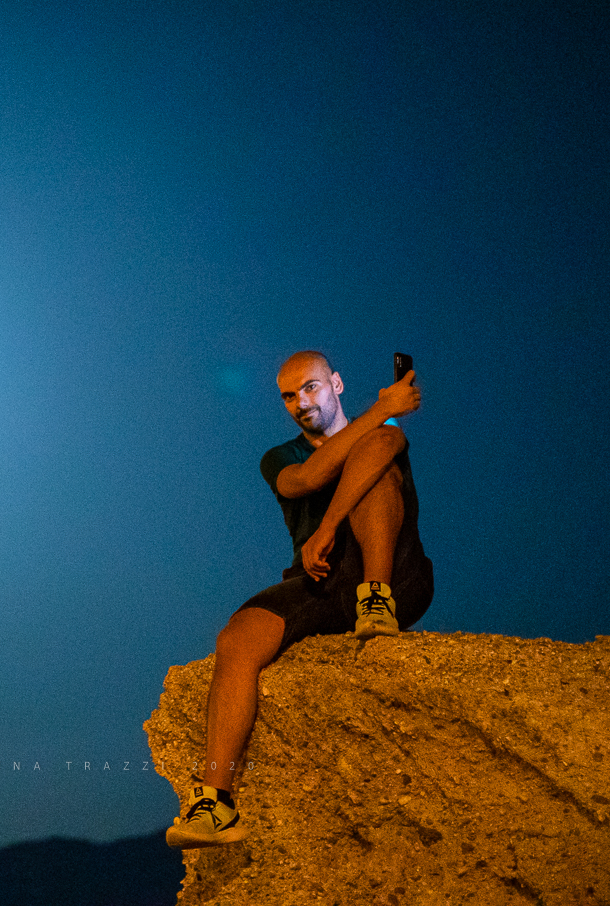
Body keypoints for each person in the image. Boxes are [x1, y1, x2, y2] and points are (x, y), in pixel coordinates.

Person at [166, 350, 435, 849]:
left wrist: (328, 525)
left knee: (376, 455)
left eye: (310, 387)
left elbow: (383, 437)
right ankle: (215, 802)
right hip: (322, 580)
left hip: (397, 578)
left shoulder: (387, 430)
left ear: (336, 383)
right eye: (288, 395)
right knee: (236, 639)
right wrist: (384, 406)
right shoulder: (280, 457)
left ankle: (375, 602)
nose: (300, 402)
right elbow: (307, 480)